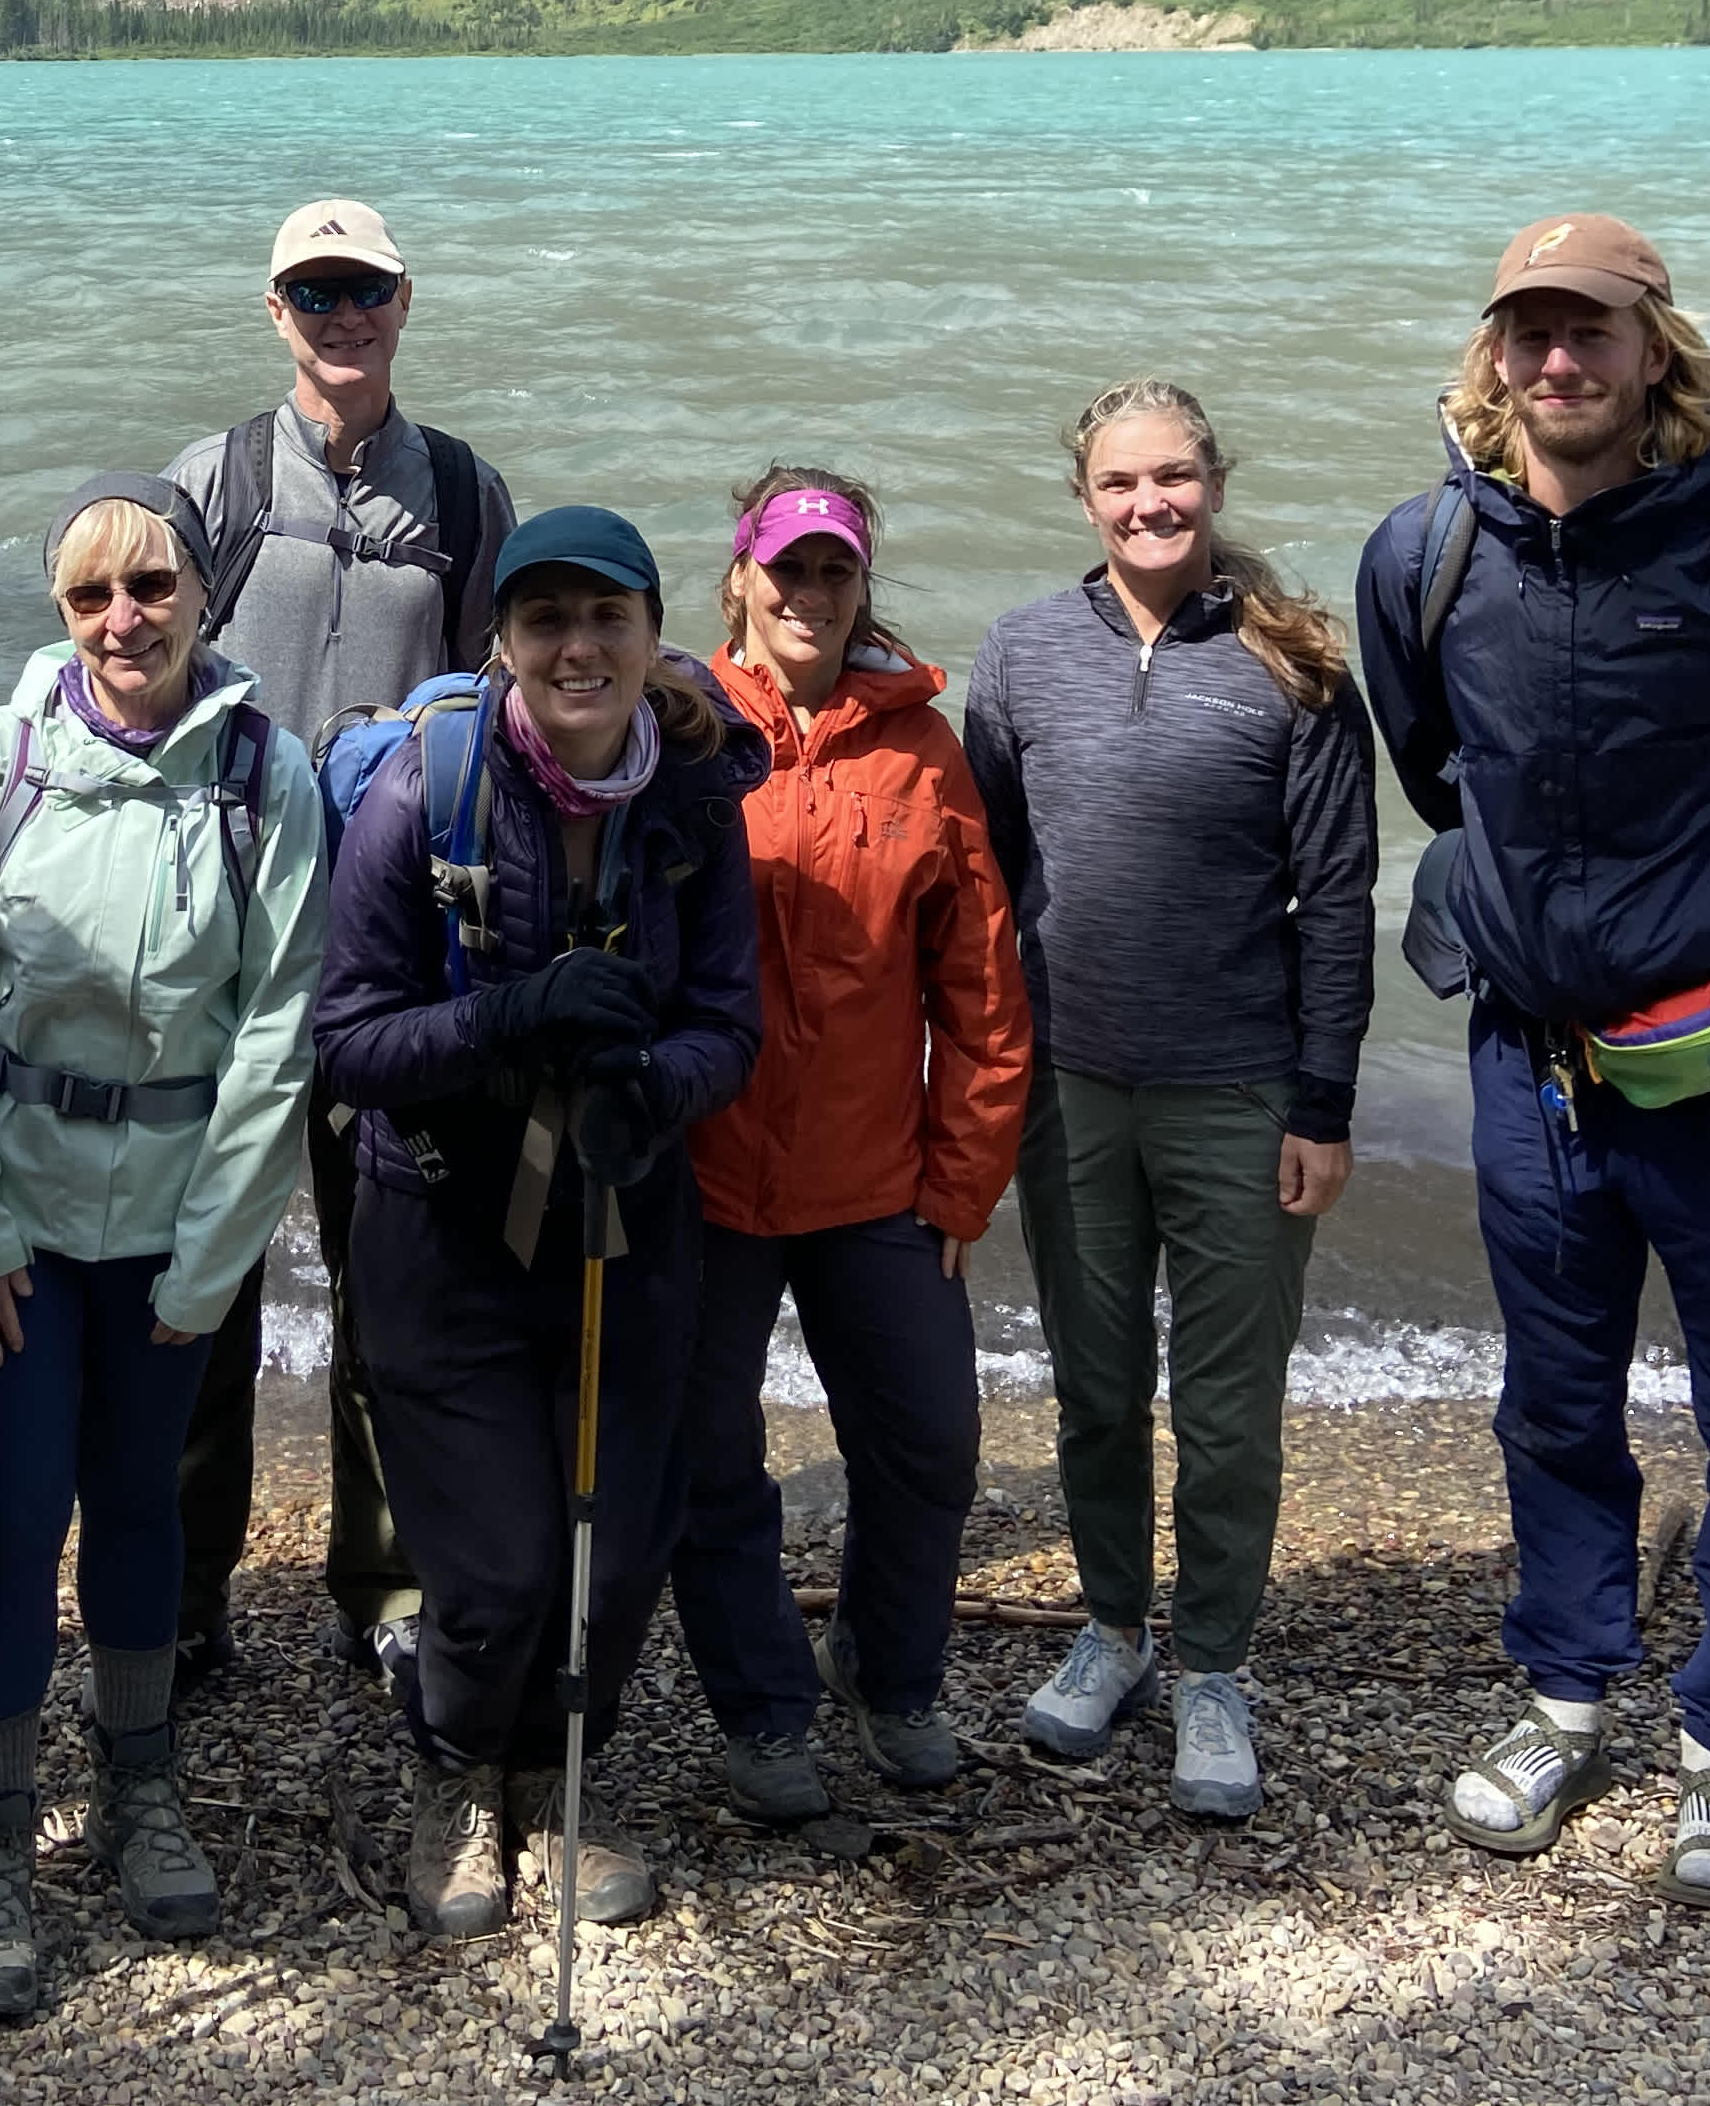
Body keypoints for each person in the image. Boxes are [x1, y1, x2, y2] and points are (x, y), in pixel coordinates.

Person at [1358, 214, 1710, 1905]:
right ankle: (1566, 1695)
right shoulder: (1427, 550)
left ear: (1656, 349)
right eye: (1527, 330)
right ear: (1491, 354)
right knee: (1551, 1400)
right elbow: (1441, 771)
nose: (1557, 360)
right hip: (1533, 1064)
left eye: (1589, 329)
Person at [0, 473, 325, 2025]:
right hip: (12, 1227)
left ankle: (140, 1782)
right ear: (60, 608)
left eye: (152, 586)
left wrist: (216, 1252)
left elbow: (279, 1026)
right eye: (91, 593)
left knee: (143, 1501)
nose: (123, 620)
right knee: (17, 1511)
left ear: (205, 594)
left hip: (169, 1230)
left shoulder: (264, 776)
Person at [316, 503, 763, 1937]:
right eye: (545, 620)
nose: (578, 648)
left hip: (626, 1218)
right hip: (440, 1228)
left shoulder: (693, 801)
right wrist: (507, 1020)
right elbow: (348, 1043)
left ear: (651, 633)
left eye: (606, 617)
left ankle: (560, 1776)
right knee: (496, 1564)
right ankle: (458, 1772)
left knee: (617, 1551)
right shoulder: (421, 796)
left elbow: (730, 1021)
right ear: (502, 642)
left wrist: (658, 1086)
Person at [962, 381, 1377, 1825]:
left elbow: (1339, 902)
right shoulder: (1020, 654)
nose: (1152, 503)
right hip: (1069, 1087)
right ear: (1085, 499)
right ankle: (1112, 1629)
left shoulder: (1296, 665)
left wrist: (1324, 1105)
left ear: (1215, 479)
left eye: (1176, 476)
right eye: (1123, 483)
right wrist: (974, 1075)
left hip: (1240, 1090)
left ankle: (1213, 1665)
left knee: (1229, 1407)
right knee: (1093, 1388)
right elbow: (988, 879)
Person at [168, 197, 516, 1692]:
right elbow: (138, 682)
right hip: (225, 952)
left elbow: (508, 701)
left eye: (362, 287)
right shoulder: (215, 480)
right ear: (275, 311)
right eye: (313, 291)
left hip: (391, 952)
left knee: (395, 1285)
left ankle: (384, 1585)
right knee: (204, 1285)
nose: (341, 314)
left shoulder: (467, 493)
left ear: (403, 299)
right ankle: (186, 1594)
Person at [671, 469, 1031, 1823]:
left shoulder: (922, 750)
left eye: (834, 571)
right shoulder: (682, 729)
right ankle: (764, 1706)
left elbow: (981, 987)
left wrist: (964, 1181)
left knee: (929, 1445)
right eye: (788, 568)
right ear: (740, 579)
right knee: (708, 1460)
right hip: (706, 1178)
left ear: (862, 586)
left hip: (877, 1181)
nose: (809, 594)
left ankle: (891, 1674)